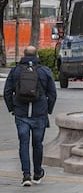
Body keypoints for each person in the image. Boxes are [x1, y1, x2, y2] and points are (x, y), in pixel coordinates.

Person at [3, 46, 57, 186]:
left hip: (21, 114)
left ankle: (26, 176)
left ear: (24, 55)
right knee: (38, 144)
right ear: (37, 55)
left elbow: (7, 91)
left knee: (24, 144)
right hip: (39, 114)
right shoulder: (44, 71)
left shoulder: (16, 71)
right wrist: (48, 110)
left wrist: (12, 109)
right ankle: (37, 173)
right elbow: (52, 94)